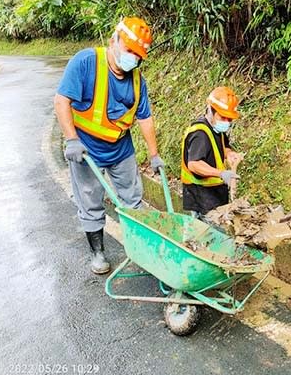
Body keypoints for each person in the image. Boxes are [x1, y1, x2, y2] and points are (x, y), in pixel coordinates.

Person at [54, 17, 164, 275]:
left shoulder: (137, 80)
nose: (133, 59)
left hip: (121, 148)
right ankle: (98, 253)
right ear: (114, 40)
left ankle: (140, 249)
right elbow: (61, 101)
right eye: (129, 51)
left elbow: (145, 117)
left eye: (138, 56)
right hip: (86, 150)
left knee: (133, 200)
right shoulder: (86, 62)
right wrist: (71, 139)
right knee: (91, 201)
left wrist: (154, 154)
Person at [181, 86, 242, 216]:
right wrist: (221, 173)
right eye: (223, 117)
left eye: (229, 119)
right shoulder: (200, 134)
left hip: (214, 193)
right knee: (204, 232)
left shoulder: (217, 129)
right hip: (201, 196)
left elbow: (221, 146)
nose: (226, 122)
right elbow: (194, 164)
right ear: (210, 110)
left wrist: (229, 154)